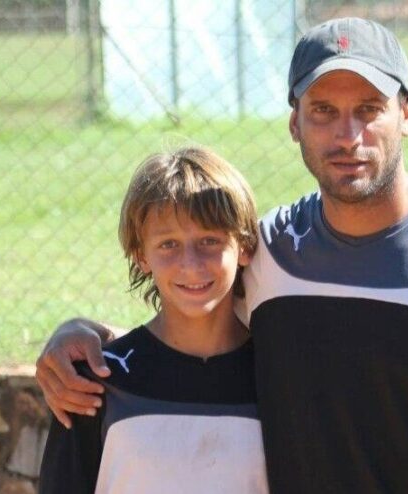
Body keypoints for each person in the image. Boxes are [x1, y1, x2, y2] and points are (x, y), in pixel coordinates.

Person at [36, 17, 408, 493]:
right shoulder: (270, 251)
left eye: (369, 110)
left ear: (406, 115)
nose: (348, 135)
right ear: (295, 123)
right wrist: (80, 335)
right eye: (323, 111)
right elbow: (191, 311)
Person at [37, 147, 268, 493]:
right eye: (168, 244)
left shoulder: (279, 377)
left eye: (209, 240)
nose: (191, 264)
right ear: (140, 255)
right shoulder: (95, 384)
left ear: (245, 246)